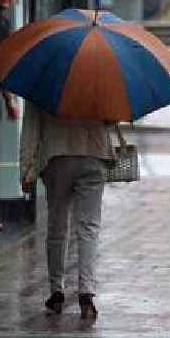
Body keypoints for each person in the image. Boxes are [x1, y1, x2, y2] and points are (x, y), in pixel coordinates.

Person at [19, 102, 113, 319]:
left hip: (57, 155)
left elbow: (31, 127)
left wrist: (26, 169)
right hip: (94, 152)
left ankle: (57, 292)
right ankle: (86, 293)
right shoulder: (101, 73)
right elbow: (111, 117)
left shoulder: (40, 75)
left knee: (57, 226)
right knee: (89, 228)